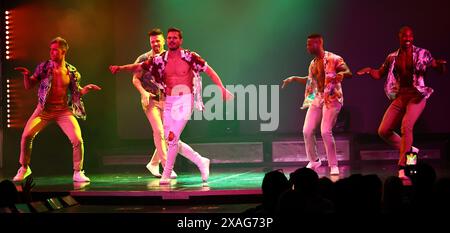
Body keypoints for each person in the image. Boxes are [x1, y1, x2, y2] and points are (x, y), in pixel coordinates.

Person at [110, 27, 233, 184]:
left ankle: (166, 173)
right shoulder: (160, 59)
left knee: (172, 137)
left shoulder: (190, 56)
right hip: (169, 101)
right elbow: (139, 67)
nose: (172, 40)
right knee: (171, 140)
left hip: (185, 100)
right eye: (169, 38)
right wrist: (120, 68)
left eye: (175, 38)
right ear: (167, 41)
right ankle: (201, 161)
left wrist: (221, 88)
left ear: (180, 40)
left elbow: (209, 71)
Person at [356, 26, 446, 179]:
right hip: (401, 97)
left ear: (413, 37)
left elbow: (438, 68)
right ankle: (411, 151)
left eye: (410, 37)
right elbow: (379, 74)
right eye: (405, 37)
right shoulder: (392, 57)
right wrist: (370, 70)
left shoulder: (422, 53)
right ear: (399, 38)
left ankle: (403, 166)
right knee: (383, 131)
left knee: (406, 125)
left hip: (417, 97)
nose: (408, 39)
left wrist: (440, 65)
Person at [13, 37, 101, 182]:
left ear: (63, 51)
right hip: (43, 111)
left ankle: (78, 172)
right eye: (51, 49)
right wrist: (26, 76)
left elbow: (76, 92)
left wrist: (86, 89)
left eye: (55, 50)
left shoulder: (71, 71)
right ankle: (24, 168)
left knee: (77, 139)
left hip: (63, 111)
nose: (51, 52)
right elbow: (29, 86)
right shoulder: (44, 67)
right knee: (26, 136)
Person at [132, 28, 206, 179]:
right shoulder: (144, 58)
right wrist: (143, 92)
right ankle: (167, 167)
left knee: (170, 137)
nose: (155, 44)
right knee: (159, 132)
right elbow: (135, 78)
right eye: (152, 42)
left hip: (167, 101)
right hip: (151, 100)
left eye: (158, 41)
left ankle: (154, 163)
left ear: (163, 41)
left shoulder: (168, 57)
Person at [282, 34, 352, 175]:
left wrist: (342, 74)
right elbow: (310, 81)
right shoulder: (313, 63)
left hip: (332, 98)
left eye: (309, 44)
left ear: (318, 43)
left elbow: (348, 71)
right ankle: (314, 161)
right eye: (307, 44)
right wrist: (294, 78)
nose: (307, 47)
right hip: (318, 97)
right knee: (307, 130)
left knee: (325, 131)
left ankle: (333, 165)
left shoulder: (334, 58)